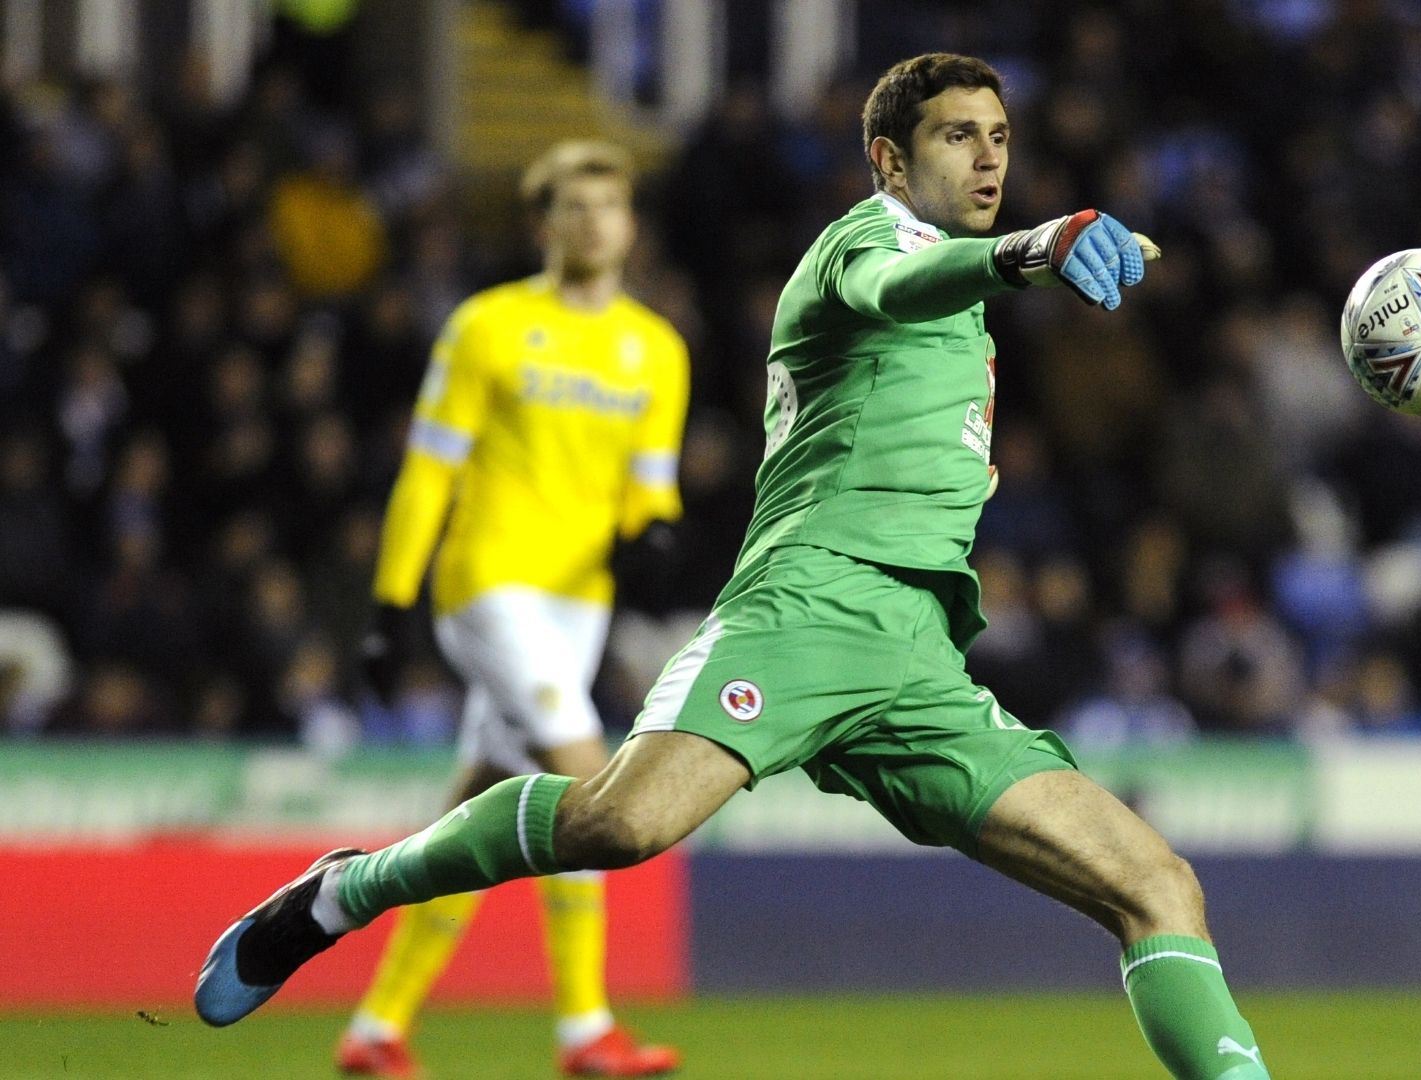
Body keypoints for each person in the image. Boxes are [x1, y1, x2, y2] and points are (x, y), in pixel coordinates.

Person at [198, 54, 1272, 1080]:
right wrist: (1032, 249)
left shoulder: (967, 314)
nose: (989, 160)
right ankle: (343, 892)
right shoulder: (861, 246)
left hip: (919, 659)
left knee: (1157, 883)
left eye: (999, 138)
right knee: (619, 821)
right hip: (805, 607)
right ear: (891, 162)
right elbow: (900, 289)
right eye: (957, 138)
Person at [338, 140, 687, 1077]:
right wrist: (389, 601)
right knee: (589, 792)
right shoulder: (487, 327)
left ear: (630, 224)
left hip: (580, 605)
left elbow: (649, 490)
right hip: (487, 585)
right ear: (542, 225)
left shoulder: (656, 351)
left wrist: (655, 535)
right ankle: (585, 1029)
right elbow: (429, 469)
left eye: (606, 206)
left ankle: (377, 1025)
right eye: (571, 207)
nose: (590, 223)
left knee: (483, 811)